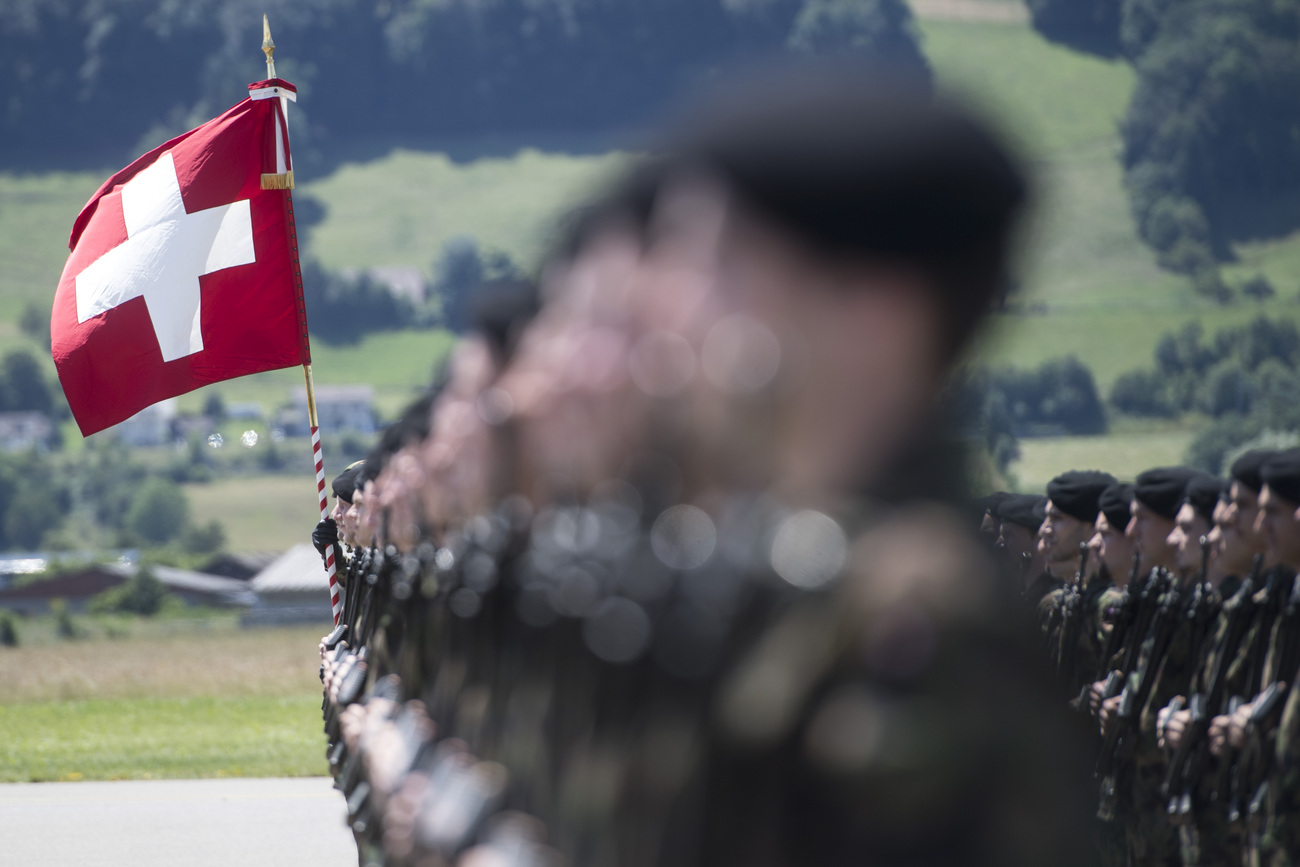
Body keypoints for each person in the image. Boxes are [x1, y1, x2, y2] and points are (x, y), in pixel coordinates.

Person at [322, 64, 1101, 867]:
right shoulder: (800, 579)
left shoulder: (918, 631)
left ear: (873, 312)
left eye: (725, 265)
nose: (681, 314)